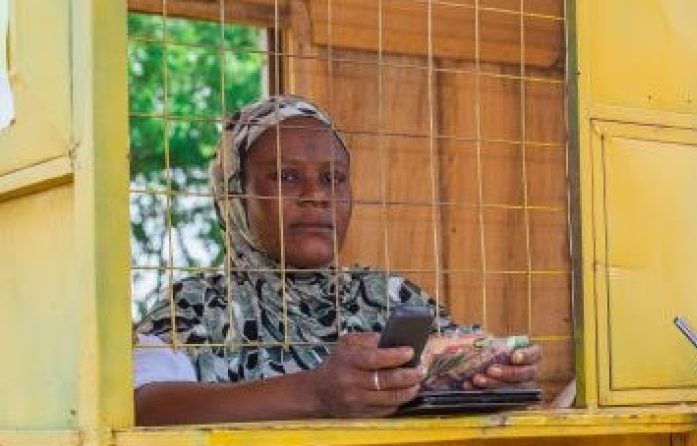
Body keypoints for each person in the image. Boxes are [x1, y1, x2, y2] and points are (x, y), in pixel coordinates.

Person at [133, 95, 542, 425]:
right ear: (234, 195)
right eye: (286, 176)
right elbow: (144, 407)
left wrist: (491, 373)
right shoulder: (192, 308)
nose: (317, 195)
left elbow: (454, 366)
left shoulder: (387, 295)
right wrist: (315, 393)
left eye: (334, 178)